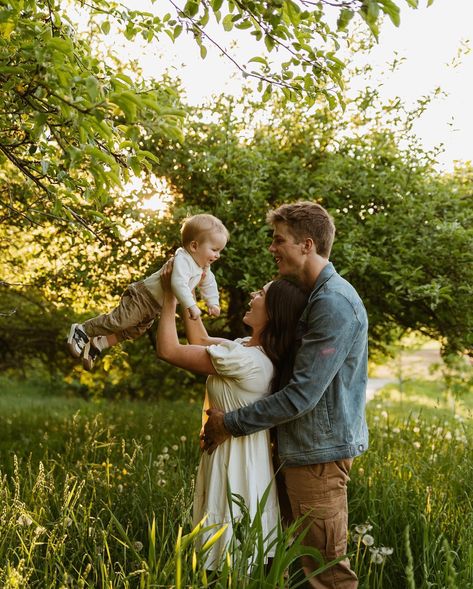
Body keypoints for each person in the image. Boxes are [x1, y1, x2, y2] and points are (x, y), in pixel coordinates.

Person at [202, 201, 369, 589]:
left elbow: (301, 396)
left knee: (327, 574)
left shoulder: (333, 304)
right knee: (293, 566)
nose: (272, 248)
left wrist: (231, 423)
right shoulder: (314, 298)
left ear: (307, 245)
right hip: (301, 451)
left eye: (279, 241)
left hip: (318, 459)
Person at [156, 261, 308, 571]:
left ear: (274, 312)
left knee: (227, 553)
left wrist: (169, 296)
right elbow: (199, 341)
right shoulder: (247, 349)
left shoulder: (247, 359)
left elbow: (169, 351)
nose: (253, 295)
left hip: (234, 460)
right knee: (230, 553)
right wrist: (186, 291)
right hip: (237, 453)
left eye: (261, 293)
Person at [67, 213, 228, 370]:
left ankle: (98, 343)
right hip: (143, 296)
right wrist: (191, 306)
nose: (218, 255)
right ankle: (83, 330)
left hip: (155, 306)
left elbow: (209, 283)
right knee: (121, 321)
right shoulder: (183, 259)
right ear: (194, 246)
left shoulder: (202, 267)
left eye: (219, 251)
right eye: (214, 250)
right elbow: (178, 284)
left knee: (133, 331)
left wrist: (212, 302)